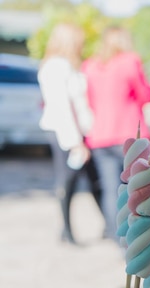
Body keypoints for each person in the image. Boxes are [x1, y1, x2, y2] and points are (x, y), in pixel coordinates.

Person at [82, 26, 150, 241]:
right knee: (137, 188)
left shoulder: (90, 65)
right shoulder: (130, 61)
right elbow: (145, 94)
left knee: (110, 190)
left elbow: (89, 100)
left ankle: (118, 238)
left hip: (100, 136)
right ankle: (137, 235)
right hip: (130, 135)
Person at [38, 23, 100, 245]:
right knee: (68, 180)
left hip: (79, 133)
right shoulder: (56, 67)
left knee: (89, 179)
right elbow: (62, 107)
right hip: (66, 134)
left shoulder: (69, 66)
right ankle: (66, 230)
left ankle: (107, 225)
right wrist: (75, 143)